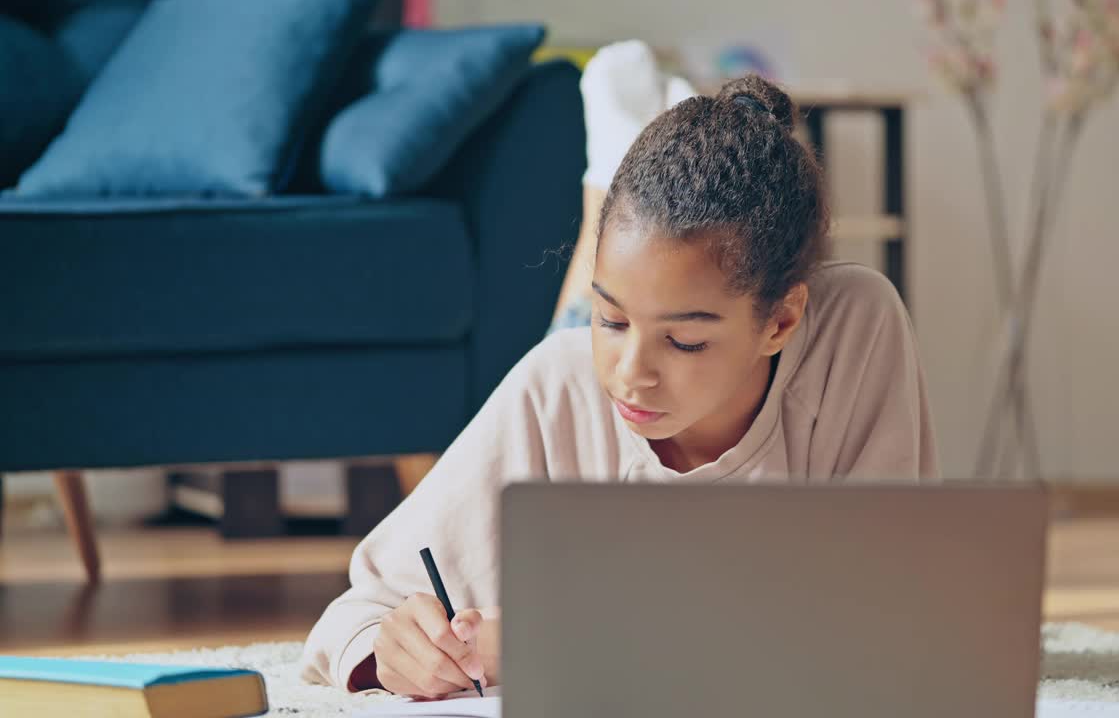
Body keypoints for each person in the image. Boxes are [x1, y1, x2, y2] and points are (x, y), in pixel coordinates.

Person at [301, 74, 938, 699]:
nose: (632, 373)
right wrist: (395, 650)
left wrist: (546, 639)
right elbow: (354, 616)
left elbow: (877, 617)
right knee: (571, 339)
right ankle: (600, 208)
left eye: (685, 339)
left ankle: (605, 200)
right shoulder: (559, 383)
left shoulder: (853, 324)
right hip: (566, 359)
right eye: (615, 318)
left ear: (781, 320)